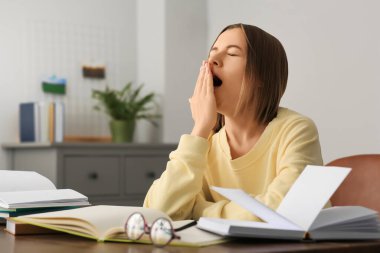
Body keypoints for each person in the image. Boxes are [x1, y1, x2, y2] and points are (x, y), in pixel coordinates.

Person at [143, 23, 323, 221]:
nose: (213, 60)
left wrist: (198, 211)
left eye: (232, 54)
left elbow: (287, 209)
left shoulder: (296, 130)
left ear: (261, 75)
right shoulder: (204, 143)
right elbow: (159, 213)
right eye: (213, 52)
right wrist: (200, 128)